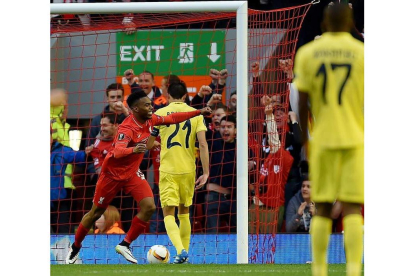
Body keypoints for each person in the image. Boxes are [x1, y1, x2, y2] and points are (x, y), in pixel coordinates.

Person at [65, 91, 212, 264]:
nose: (151, 108)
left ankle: (125, 244)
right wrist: (134, 150)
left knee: (149, 207)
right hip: (112, 175)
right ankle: (75, 247)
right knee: (95, 213)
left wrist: (199, 111)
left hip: (132, 173)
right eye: (147, 105)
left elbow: (173, 118)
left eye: (151, 104)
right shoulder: (126, 128)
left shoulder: (152, 120)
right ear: (135, 108)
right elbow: (118, 151)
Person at [294, 4, 364, 276]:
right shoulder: (363, 53)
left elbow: (301, 99)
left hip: (322, 138)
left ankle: (320, 270)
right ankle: (354, 269)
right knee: (352, 206)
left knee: (322, 206)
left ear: (323, 23)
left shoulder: (307, 53)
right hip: (354, 137)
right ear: (350, 24)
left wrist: (305, 136)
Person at [147, 82, 210, 264]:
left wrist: (157, 142)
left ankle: (180, 250)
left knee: (168, 213)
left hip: (168, 170)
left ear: (167, 96)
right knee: (184, 213)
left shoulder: (159, 114)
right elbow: (203, 145)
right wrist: (205, 173)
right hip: (188, 170)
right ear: (184, 96)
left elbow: (149, 144)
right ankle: (185, 253)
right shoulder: (196, 114)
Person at [249, 100, 293, 234]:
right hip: (256, 205)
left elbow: (274, 139)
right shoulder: (269, 156)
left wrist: (269, 116)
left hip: (271, 208)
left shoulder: (284, 156)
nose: (269, 136)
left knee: (266, 246)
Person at [205, 115, 255, 233]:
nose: (225, 130)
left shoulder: (243, 147)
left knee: (237, 236)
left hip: (236, 200)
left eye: (229, 127)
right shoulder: (213, 143)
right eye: (222, 127)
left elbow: (254, 163)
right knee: (213, 236)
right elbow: (201, 121)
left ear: (236, 130)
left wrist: (253, 164)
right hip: (214, 198)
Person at [50, 130, 87, 234]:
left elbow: (81, 157)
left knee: (63, 234)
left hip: (59, 202)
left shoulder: (61, 151)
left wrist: (89, 151)